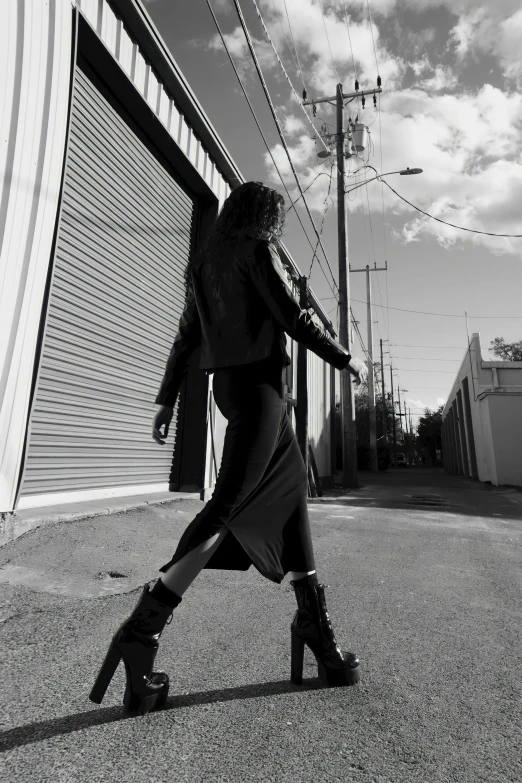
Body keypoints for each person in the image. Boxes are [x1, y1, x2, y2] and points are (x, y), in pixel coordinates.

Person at [89, 182, 368, 715]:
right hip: (262, 391)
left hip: (236, 392)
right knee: (225, 506)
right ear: (266, 215)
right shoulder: (258, 249)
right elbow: (294, 315)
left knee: (290, 502)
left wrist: (167, 400)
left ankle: (315, 628)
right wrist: (343, 358)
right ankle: (141, 631)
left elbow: (185, 337)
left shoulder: (204, 263)